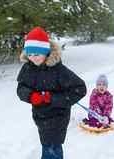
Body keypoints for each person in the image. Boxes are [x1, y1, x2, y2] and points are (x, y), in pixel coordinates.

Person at [16, 27, 86, 159]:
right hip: (40, 116)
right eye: (29, 54)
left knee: (53, 146)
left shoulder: (59, 70)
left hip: (58, 116)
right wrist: (31, 96)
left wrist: (52, 98)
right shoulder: (28, 68)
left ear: (46, 52)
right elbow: (21, 88)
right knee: (46, 144)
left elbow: (80, 89)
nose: (33, 58)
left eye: (37, 54)